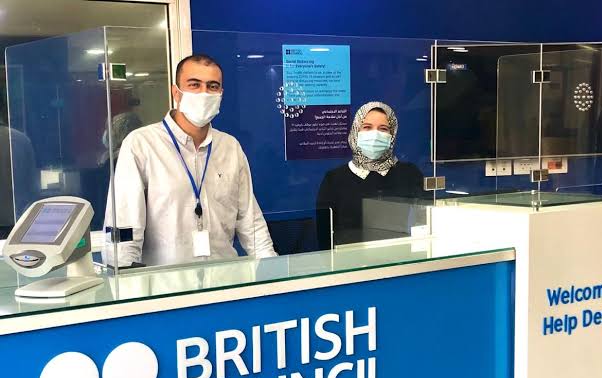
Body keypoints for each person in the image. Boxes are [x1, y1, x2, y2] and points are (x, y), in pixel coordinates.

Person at [104, 54, 276, 267]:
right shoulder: (142, 145)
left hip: (226, 279)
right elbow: (125, 227)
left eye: (212, 86)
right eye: (194, 84)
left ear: (220, 94)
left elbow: (251, 223)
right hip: (167, 282)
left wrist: (272, 270)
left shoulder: (230, 147)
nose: (204, 93)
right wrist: (125, 279)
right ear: (176, 92)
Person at [316, 101, 427, 246]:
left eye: (383, 129)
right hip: (350, 259)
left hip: (402, 257)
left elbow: (424, 223)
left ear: (392, 134)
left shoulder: (410, 174)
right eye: (367, 127)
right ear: (356, 130)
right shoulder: (334, 179)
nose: (375, 135)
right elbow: (324, 236)